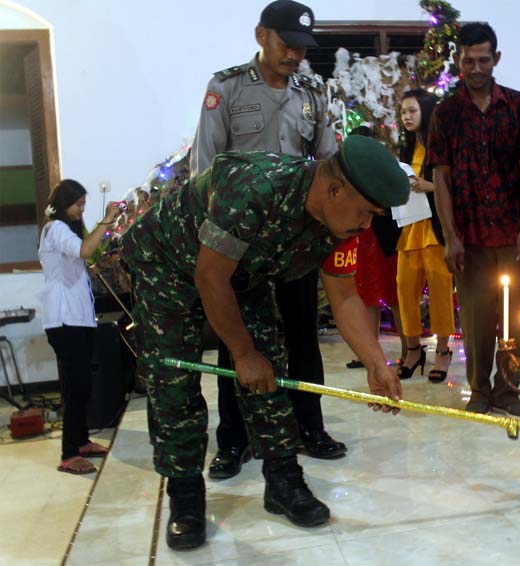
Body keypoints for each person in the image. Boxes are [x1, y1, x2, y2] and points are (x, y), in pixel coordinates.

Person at [121, 135, 409, 550]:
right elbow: (208, 277)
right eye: (366, 213)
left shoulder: (342, 223)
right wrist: (241, 352)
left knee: (268, 374)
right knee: (174, 382)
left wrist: (375, 363)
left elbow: (344, 295)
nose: (367, 224)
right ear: (333, 189)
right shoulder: (256, 189)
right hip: (169, 263)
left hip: (241, 272)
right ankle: (185, 497)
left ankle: (283, 482)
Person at [190, 0, 346, 477]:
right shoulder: (228, 88)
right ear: (262, 36)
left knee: (303, 334)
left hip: (296, 240)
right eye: (287, 44)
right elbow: (205, 166)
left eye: (302, 48)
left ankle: (309, 426)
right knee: (236, 336)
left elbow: (329, 163)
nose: (295, 56)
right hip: (241, 241)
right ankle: (233, 441)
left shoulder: (313, 93)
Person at [429, 22, 520, 419]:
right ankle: (479, 391)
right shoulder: (445, 114)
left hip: (515, 236)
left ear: (495, 59)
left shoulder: (519, 105)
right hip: (470, 238)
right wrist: (450, 237)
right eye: (468, 61)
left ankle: (508, 390)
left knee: (518, 317)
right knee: (476, 319)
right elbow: (439, 177)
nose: (475, 68)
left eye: (483, 60)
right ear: (459, 62)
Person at [38, 180, 120, 474]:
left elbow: (82, 261)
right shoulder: (56, 228)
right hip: (64, 319)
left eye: (84, 204)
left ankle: (82, 441)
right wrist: (106, 221)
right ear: (64, 204)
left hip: (78, 317)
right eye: (79, 204)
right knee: (77, 387)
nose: (81, 209)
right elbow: (85, 251)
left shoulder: (64, 230)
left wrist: (100, 264)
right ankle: (68, 454)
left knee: (81, 386)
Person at [396, 89, 455, 382]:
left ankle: (443, 352)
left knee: (440, 288)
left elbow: (455, 184)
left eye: (412, 111)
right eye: (403, 111)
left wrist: (429, 186)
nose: (406, 116)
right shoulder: (406, 149)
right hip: (409, 225)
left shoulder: (442, 145)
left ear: (427, 112)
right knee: (404, 287)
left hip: (435, 228)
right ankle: (412, 349)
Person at [345, 125, 407, 370]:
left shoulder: (386, 166)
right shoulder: (347, 171)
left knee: (396, 297)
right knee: (365, 297)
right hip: (361, 237)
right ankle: (369, 355)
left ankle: (408, 352)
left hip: (385, 238)